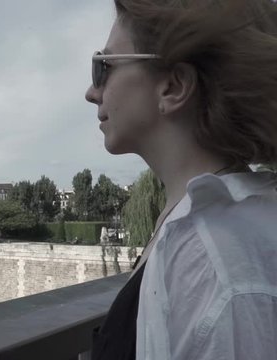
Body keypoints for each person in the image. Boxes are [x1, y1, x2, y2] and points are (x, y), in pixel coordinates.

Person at [84, 0, 277, 359]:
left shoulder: (213, 262)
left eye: (103, 68)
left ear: (173, 87)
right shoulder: (198, 229)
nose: (92, 92)